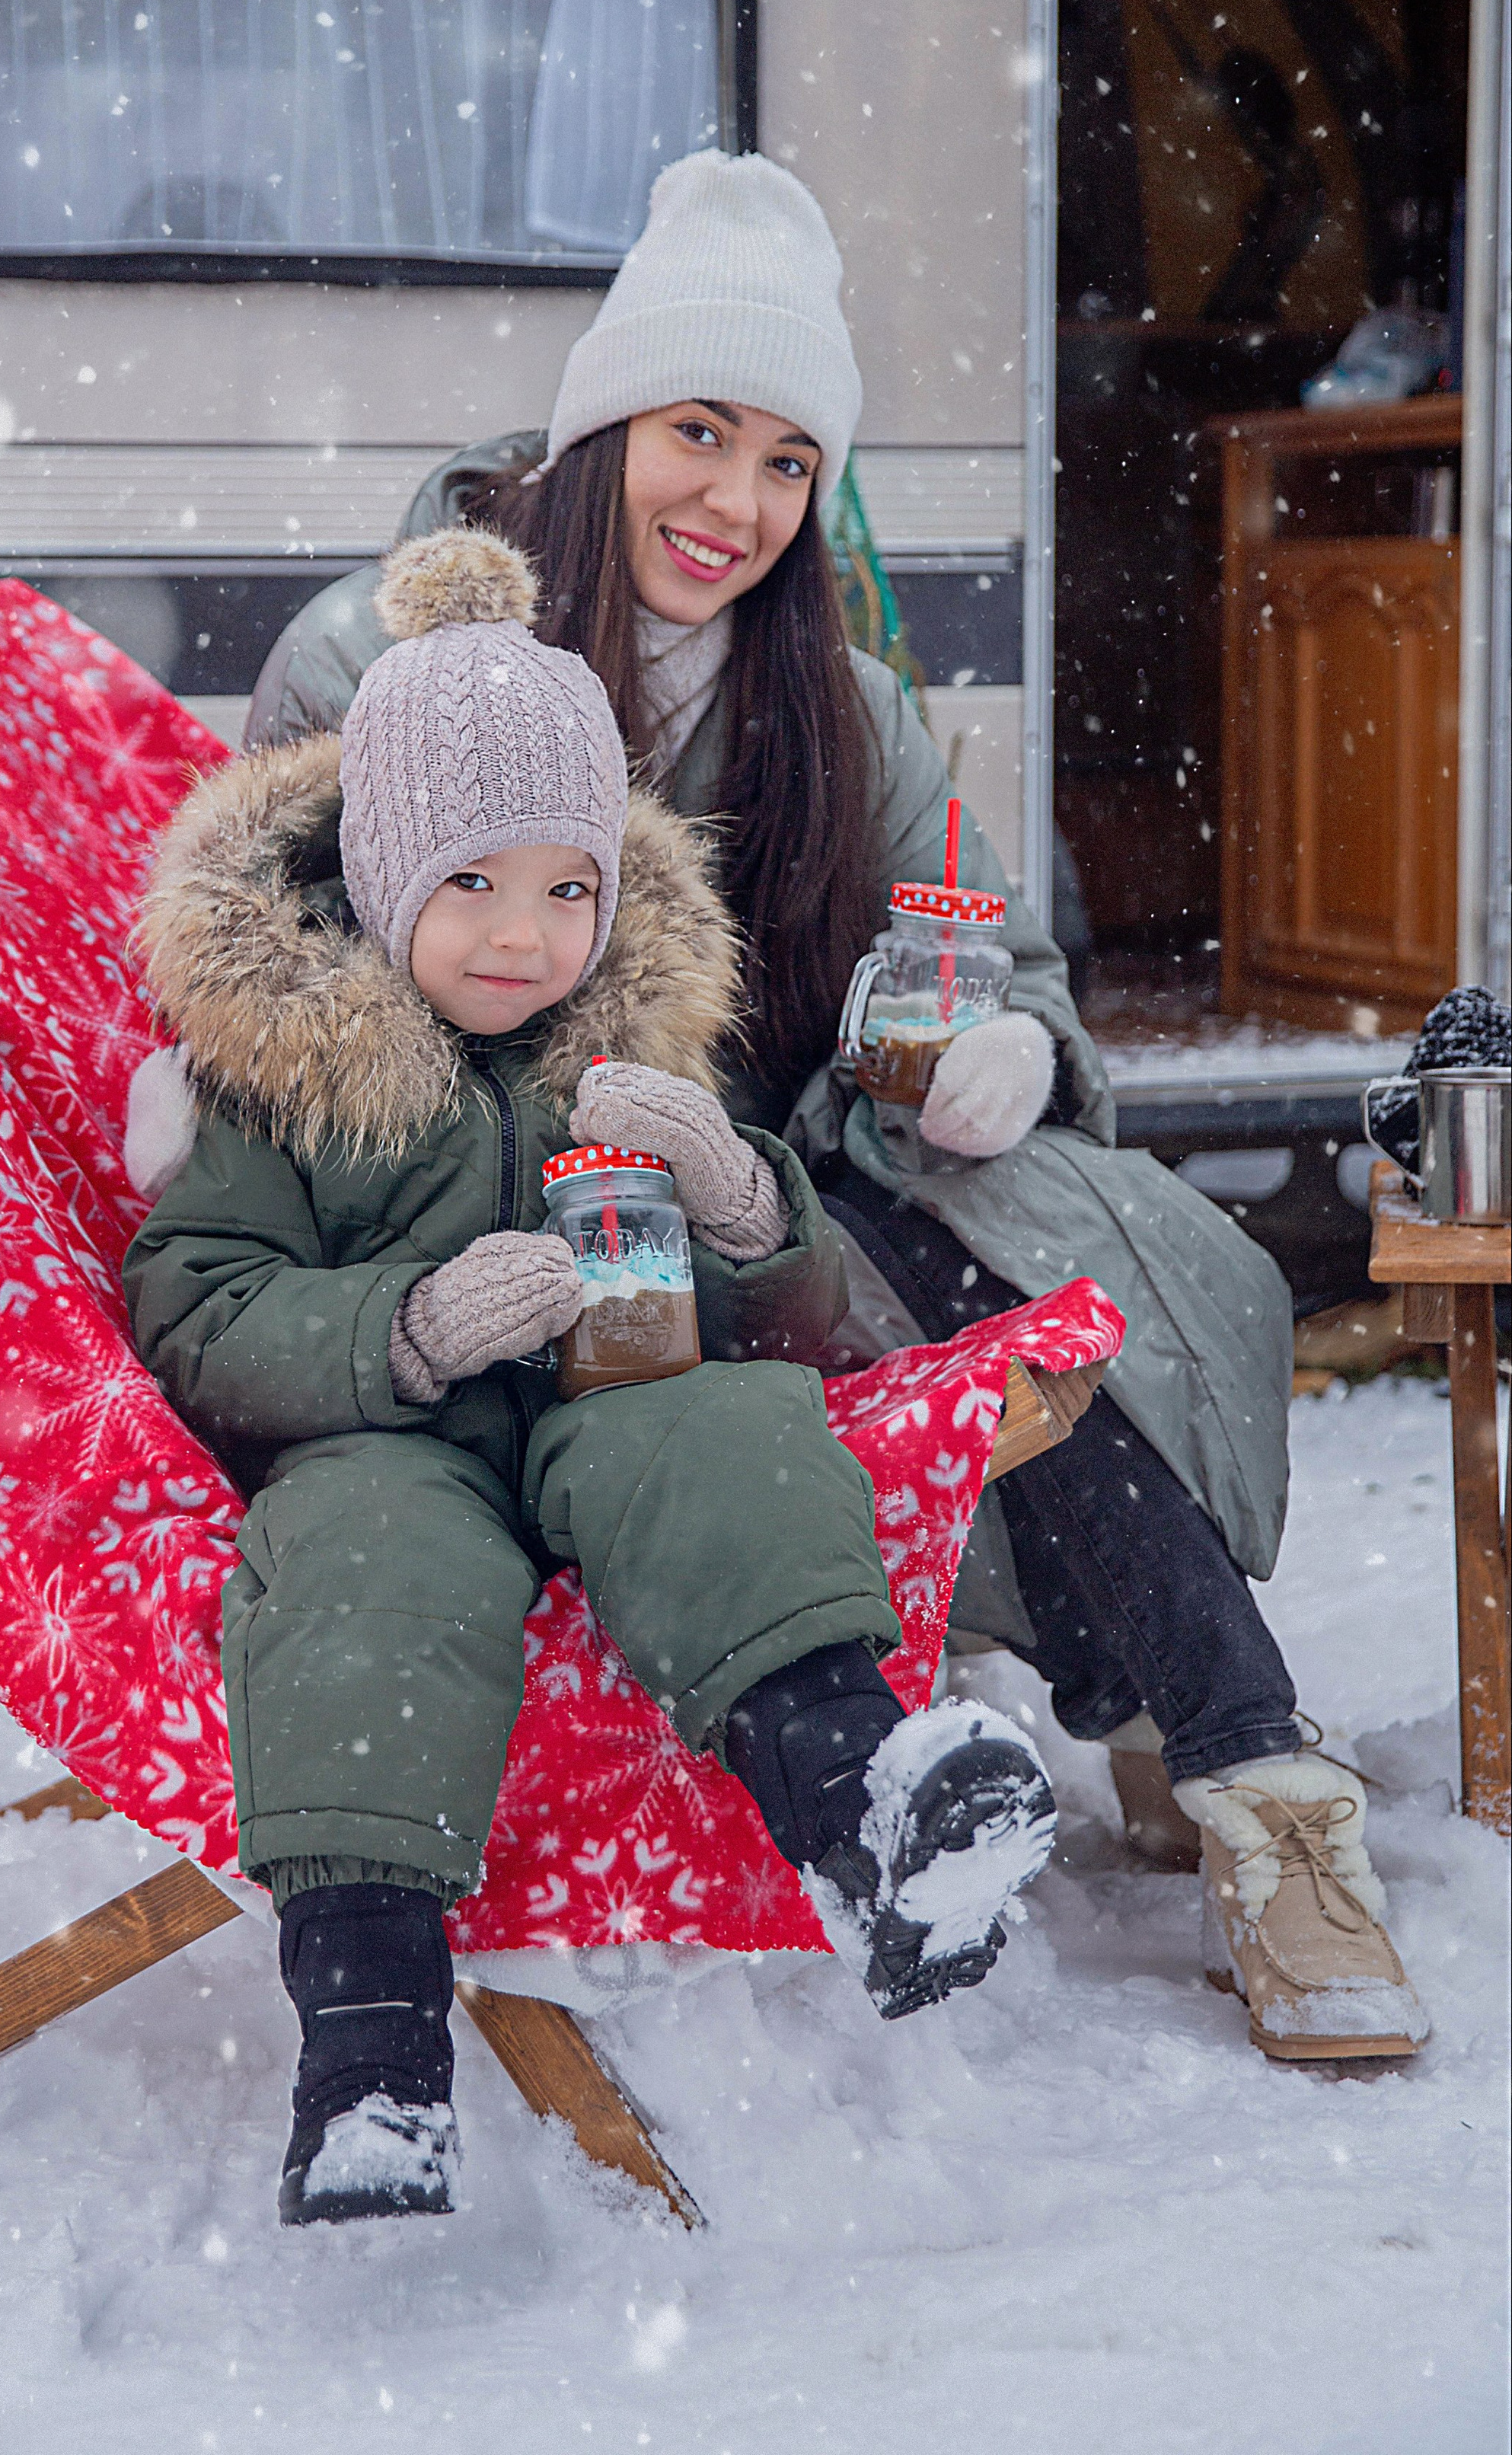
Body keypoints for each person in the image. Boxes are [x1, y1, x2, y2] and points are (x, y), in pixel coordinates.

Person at [234, 149, 1428, 2067]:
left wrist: (993, 1055)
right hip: (504, 1238)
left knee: (1031, 1276)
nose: (735, 501)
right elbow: (273, 985)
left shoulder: (843, 704)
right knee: (953, 1307)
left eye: (789, 459)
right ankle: (1192, 1729)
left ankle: (1254, 1785)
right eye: (697, 430)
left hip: (775, 1195)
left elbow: (1000, 960)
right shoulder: (376, 663)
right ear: (601, 425)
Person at [123, 528, 1057, 2225]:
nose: (522, 937)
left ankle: (864, 1810)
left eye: (568, 889)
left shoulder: (625, 1037)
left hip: (609, 1399)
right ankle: (370, 2042)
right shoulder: (274, 1072)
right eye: (471, 885)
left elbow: (785, 1324)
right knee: (365, 1573)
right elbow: (194, 1309)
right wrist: (399, 1329)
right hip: (382, 1438)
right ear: (387, 873)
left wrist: (736, 1192)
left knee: (733, 1428)